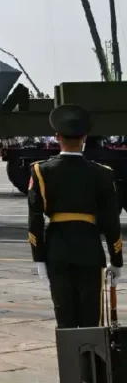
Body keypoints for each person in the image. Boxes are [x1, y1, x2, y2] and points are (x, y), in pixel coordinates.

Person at [29, 103, 122, 328]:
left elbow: (35, 220)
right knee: (92, 320)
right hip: (90, 249)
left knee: (65, 319)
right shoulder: (102, 174)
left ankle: (70, 363)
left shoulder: (41, 171)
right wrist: (116, 260)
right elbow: (111, 221)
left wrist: (39, 258)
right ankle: (91, 362)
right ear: (85, 137)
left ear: (57, 136)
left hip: (56, 250)